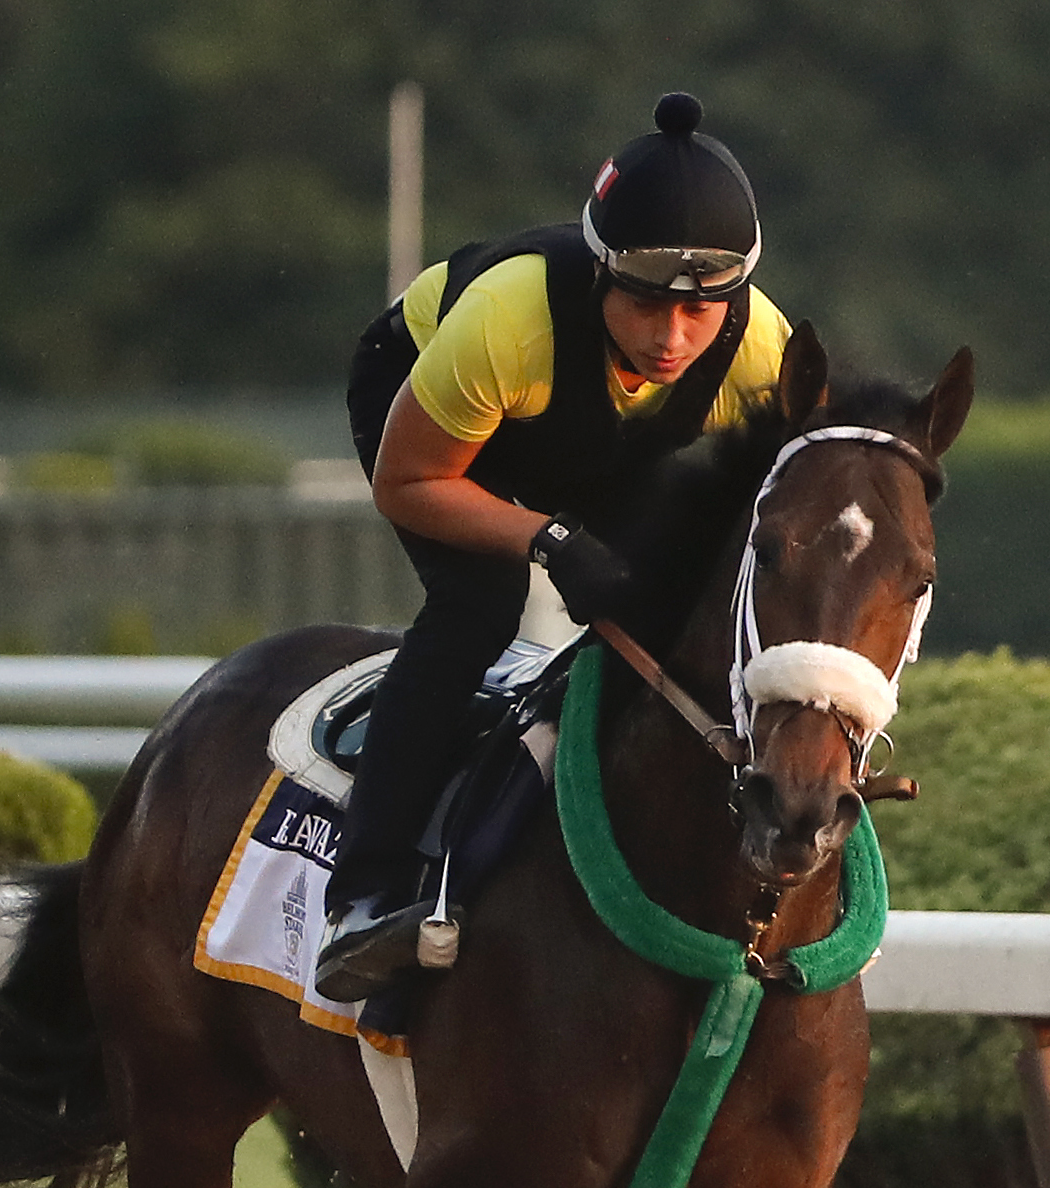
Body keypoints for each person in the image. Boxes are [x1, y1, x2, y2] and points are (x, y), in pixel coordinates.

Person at [315, 91, 794, 1002]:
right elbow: (406, 484)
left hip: (591, 436)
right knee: (481, 603)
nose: (673, 339)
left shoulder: (756, 348)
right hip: (434, 423)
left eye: (703, 313)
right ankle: (364, 889)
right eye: (648, 305)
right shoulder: (510, 321)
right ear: (602, 274)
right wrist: (547, 535)